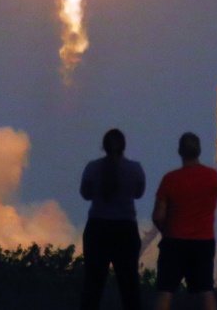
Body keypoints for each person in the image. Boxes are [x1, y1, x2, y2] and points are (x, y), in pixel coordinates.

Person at [152, 132, 217, 310]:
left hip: (174, 241)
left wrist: (166, 231)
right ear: (199, 151)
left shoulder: (170, 179)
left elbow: (158, 216)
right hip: (203, 242)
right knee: (205, 290)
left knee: (165, 290)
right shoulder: (212, 176)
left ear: (180, 151)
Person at [80, 128, 146, 310]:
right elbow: (139, 193)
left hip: (97, 228)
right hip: (126, 230)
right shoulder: (135, 168)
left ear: (103, 146)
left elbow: (85, 194)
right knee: (129, 287)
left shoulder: (92, 168)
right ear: (124, 146)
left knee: (92, 286)